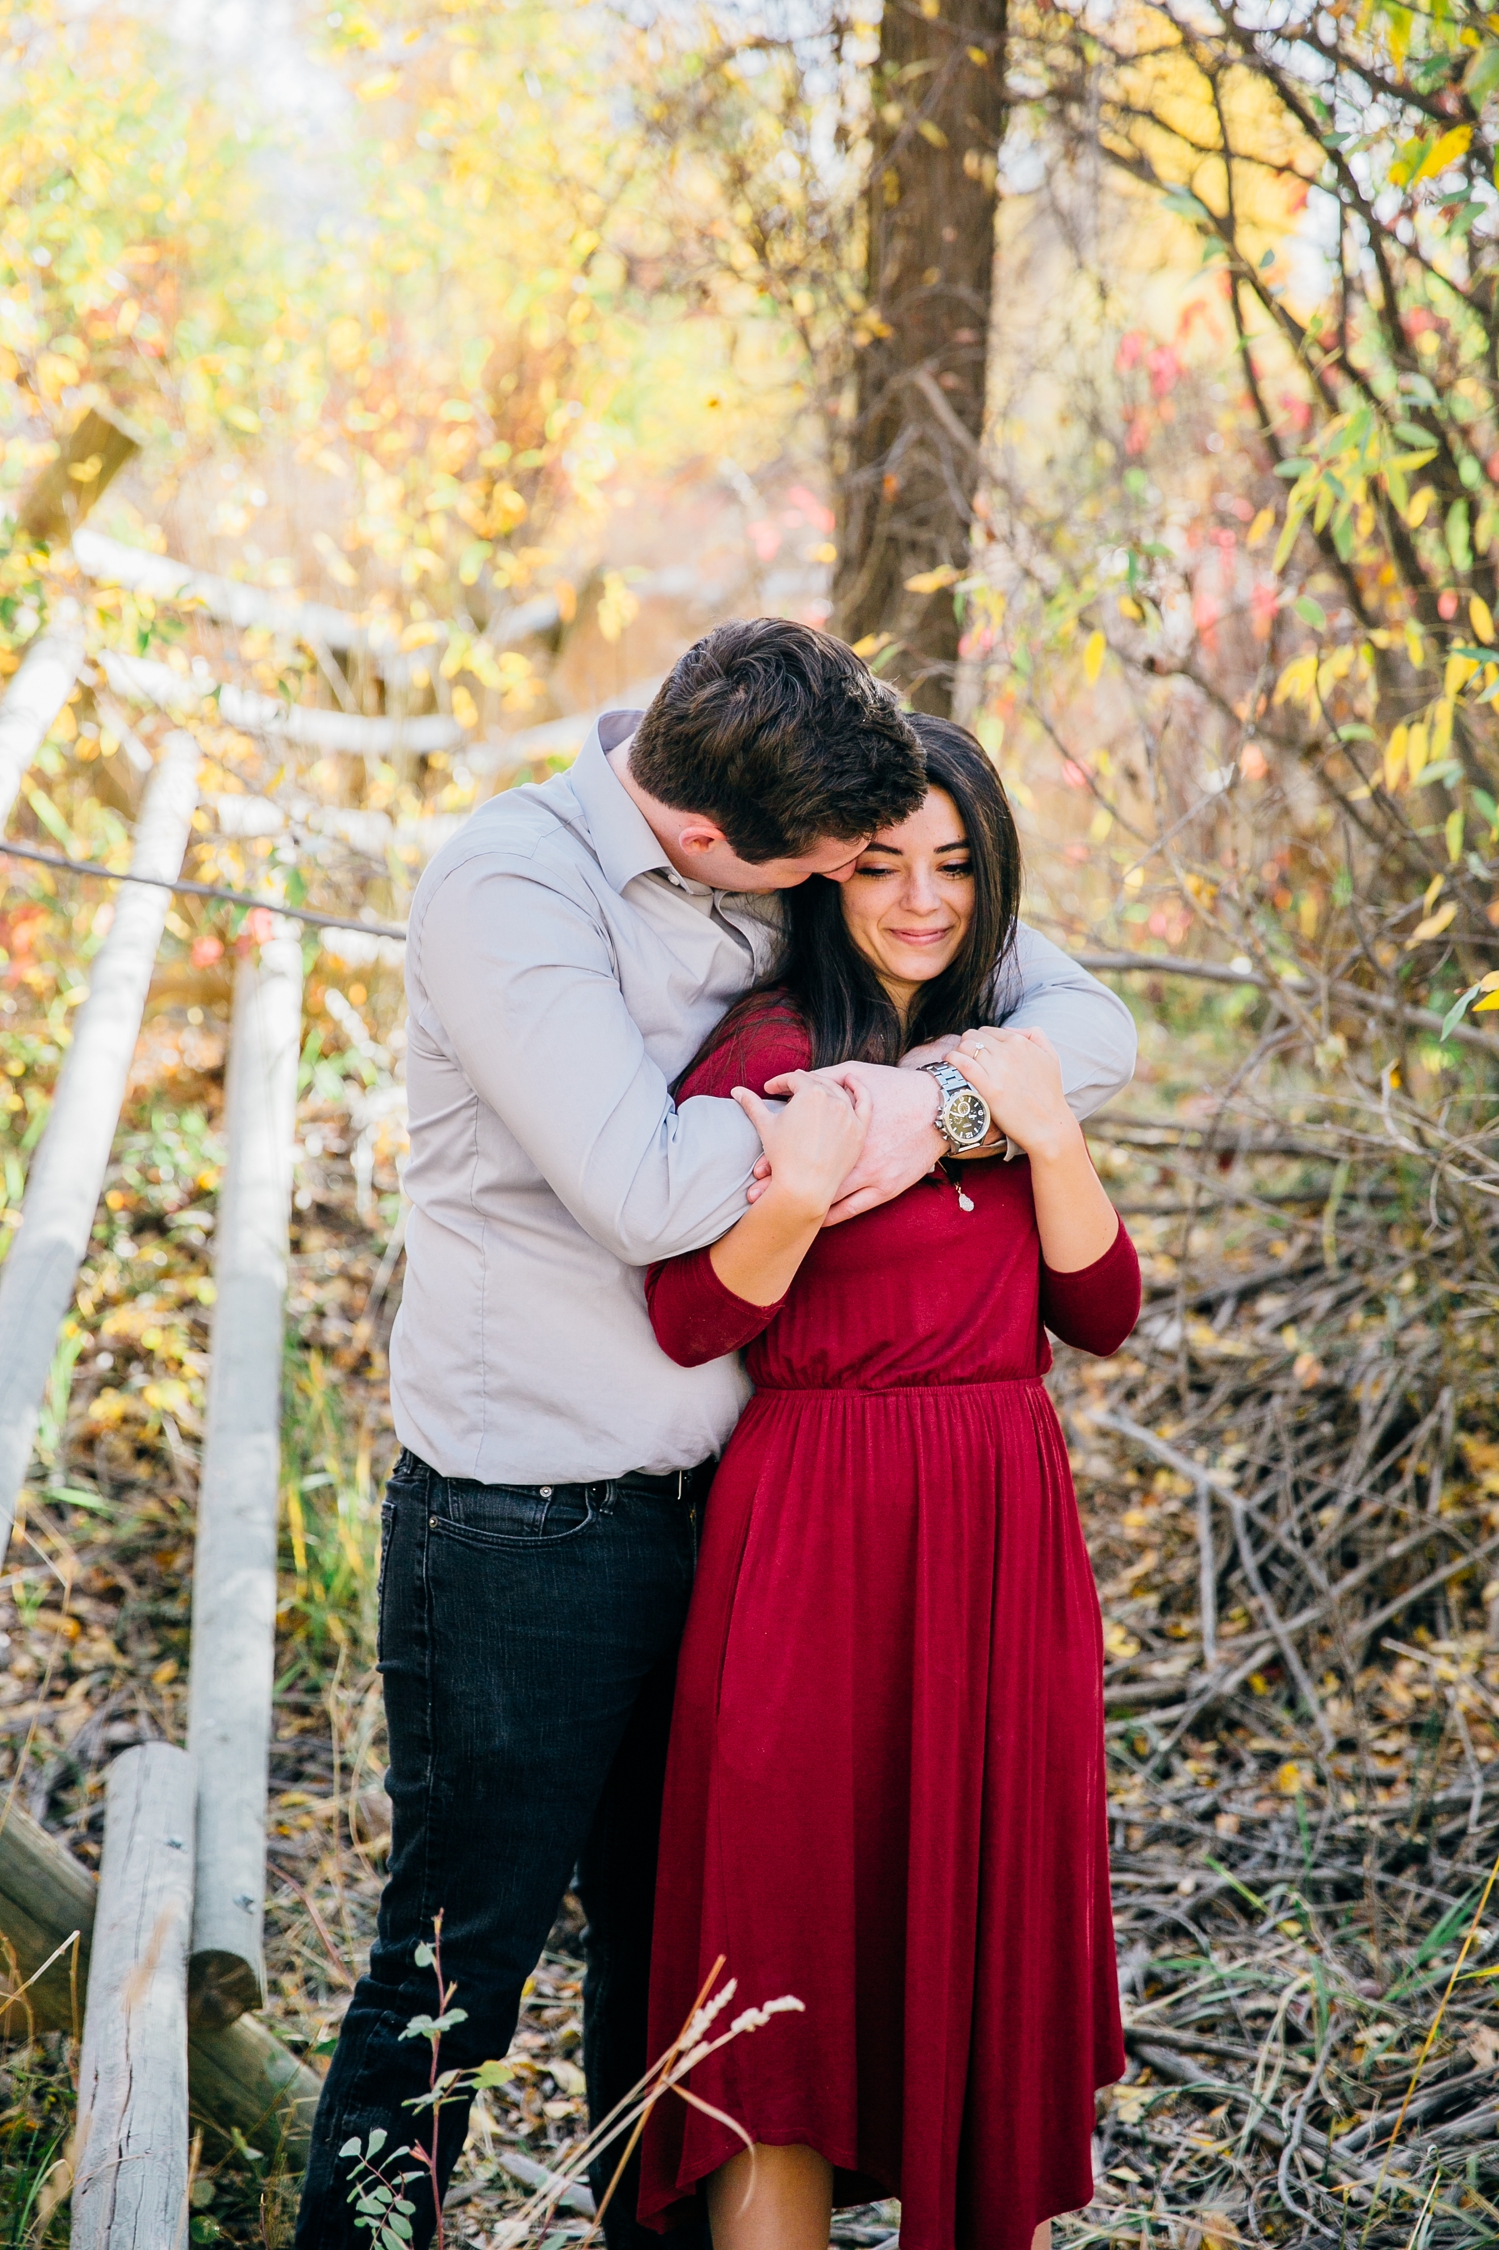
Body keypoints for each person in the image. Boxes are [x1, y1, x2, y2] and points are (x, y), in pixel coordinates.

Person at [294, 622, 1136, 2250]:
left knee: (686, 1981)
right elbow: (644, 1191)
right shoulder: (512, 892)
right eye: (839, 869)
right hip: (527, 1526)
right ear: (713, 845)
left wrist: (937, 1098)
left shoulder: (786, 823)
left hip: (740, 1527)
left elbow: (1075, 1020)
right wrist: (826, 1127)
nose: (866, 896)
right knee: (457, 1970)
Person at [638, 717, 1141, 2250]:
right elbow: (690, 1319)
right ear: (825, 877)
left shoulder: (1012, 1044)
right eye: (881, 864)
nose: (921, 895)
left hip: (998, 1530)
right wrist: (793, 1192)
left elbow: (1102, 1311)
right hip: (811, 1537)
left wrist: (1049, 1135)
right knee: (781, 1965)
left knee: (980, 1948)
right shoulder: (769, 1052)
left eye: (955, 861)